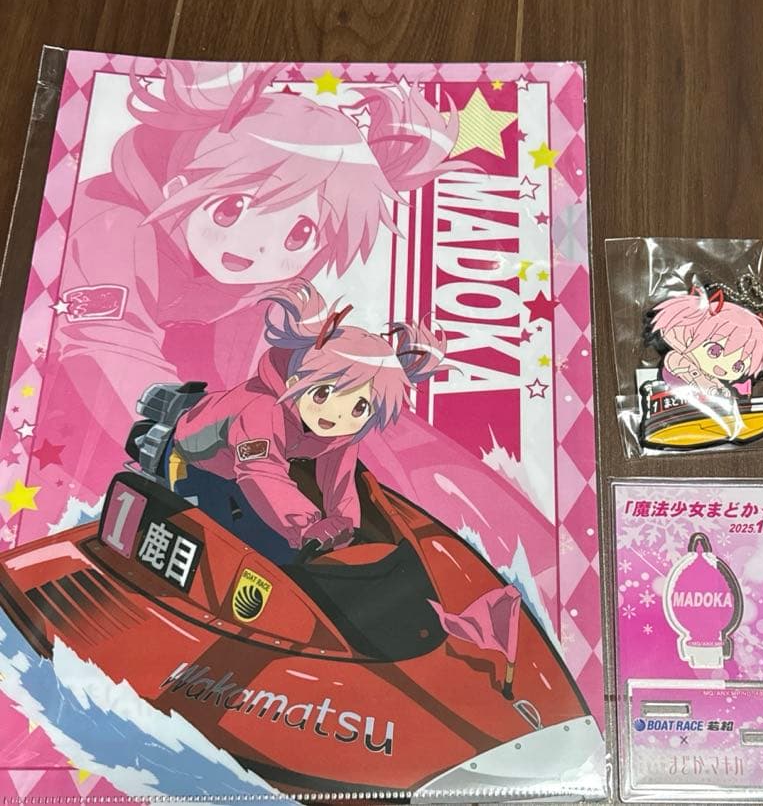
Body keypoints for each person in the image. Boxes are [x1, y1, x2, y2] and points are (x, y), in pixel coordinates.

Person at [36, 60, 459, 508]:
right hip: (90, 403)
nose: (256, 245)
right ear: (179, 186)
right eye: (231, 209)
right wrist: (192, 427)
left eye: (299, 233)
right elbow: (107, 342)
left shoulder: (271, 285)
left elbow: (270, 371)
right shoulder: (109, 225)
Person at [167, 281, 444, 563]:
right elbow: (260, 470)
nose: (337, 414)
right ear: (294, 382)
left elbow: (339, 477)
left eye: (360, 407)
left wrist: (345, 524)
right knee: (241, 550)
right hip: (197, 463)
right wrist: (307, 527)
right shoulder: (261, 409)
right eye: (323, 393)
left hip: (260, 465)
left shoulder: (344, 431)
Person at [647, 284, 763, 399]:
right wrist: (710, 387)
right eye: (714, 351)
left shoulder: (712, 377)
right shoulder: (677, 359)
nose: (722, 367)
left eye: (738, 366)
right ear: (681, 333)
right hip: (675, 403)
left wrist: (722, 390)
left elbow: (713, 384)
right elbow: (691, 373)